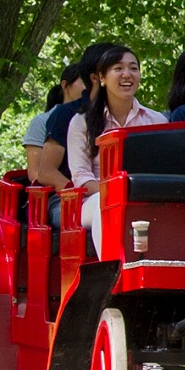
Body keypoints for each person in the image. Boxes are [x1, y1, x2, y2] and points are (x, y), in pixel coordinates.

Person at [64, 42, 165, 249]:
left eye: (133, 68)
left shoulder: (157, 121)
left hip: (144, 198)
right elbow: (81, 177)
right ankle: (113, 267)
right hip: (95, 200)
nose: (127, 74)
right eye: (118, 68)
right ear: (101, 78)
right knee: (106, 208)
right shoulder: (81, 122)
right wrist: (117, 194)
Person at [22, 57, 89, 190]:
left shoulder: (97, 118)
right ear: (65, 85)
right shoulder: (42, 121)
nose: (89, 88)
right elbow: (35, 173)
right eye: (84, 82)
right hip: (57, 193)